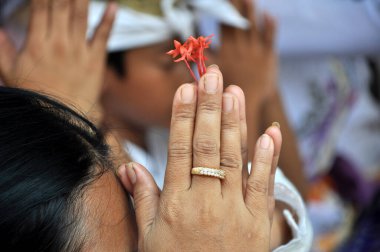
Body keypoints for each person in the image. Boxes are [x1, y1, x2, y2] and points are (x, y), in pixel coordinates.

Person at [0, 0, 312, 250]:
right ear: (101, 77)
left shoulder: (163, 134)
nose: (195, 71)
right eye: (169, 63)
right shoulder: (94, 181)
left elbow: (299, 206)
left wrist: (259, 90)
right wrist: (70, 111)